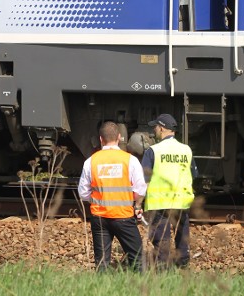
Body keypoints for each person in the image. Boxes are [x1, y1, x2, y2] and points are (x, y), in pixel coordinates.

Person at [78, 120, 147, 271]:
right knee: (137, 260)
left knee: (101, 262)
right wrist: (137, 205)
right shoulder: (130, 160)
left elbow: (83, 193)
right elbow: (141, 189)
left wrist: (98, 200)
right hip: (124, 217)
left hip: (99, 218)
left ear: (101, 139)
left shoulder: (91, 161)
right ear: (119, 137)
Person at [141, 114, 198, 269]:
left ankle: (163, 270)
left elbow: (143, 179)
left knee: (162, 242)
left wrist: (139, 202)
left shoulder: (153, 150)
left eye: (155, 127)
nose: (154, 130)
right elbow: (193, 175)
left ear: (161, 128)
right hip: (181, 202)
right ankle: (183, 267)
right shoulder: (186, 150)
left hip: (159, 203)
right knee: (182, 238)